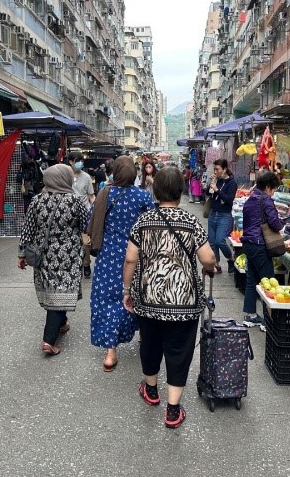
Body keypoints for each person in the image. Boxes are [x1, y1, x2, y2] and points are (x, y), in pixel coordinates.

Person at [123, 166, 216, 429]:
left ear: (155, 190)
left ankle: (151, 391)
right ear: (180, 191)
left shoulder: (143, 221)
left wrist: (127, 291)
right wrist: (209, 268)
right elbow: (208, 258)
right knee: (179, 351)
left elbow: (130, 258)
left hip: (148, 298)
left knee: (150, 344)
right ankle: (173, 410)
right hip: (184, 301)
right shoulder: (190, 221)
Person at [87, 156, 155, 371]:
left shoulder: (105, 194)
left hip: (108, 256)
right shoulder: (143, 196)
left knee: (108, 301)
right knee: (139, 297)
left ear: (115, 172)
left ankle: (110, 353)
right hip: (137, 255)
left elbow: (91, 221)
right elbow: (152, 225)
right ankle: (144, 337)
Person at [19, 164, 89, 355]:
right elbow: (86, 225)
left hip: (44, 254)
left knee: (53, 291)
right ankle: (48, 341)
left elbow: (28, 230)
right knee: (63, 289)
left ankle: (62, 322)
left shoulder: (37, 200)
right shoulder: (75, 201)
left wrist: (22, 254)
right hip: (69, 255)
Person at [240, 171, 283, 330]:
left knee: (252, 280)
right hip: (260, 244)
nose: (273, 193)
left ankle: (250, 316)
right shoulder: (266, 200)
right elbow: (275, 223)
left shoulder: (249, 200)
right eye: (273, 190)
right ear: (268, 187)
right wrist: (283, 222)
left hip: (249, 244)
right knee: (268, 281)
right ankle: (268, 321)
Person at [207, 159, 238, 274]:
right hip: (213, 213)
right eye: (214, 169)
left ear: (224, 169)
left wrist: (217, 190)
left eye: (217, 169)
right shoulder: (217, 180)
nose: (215, 172)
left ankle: (231, 258)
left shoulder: (232, 183)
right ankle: (217, 265)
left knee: (220, 241)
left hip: (224, 215)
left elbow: (229, 200)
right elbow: (208, 194)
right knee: (212, 242)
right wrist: (211, 184)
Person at [68, 151, 95, 278]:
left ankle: (86, 264)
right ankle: (73, 265)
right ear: (70, 162)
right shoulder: (65, 176)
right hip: (68, 213)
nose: (80, 163)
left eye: (81, 161)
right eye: (77, 161)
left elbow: (91, 196)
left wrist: (95, 209)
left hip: (84, 214)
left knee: (86, 242)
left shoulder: (86, 177)